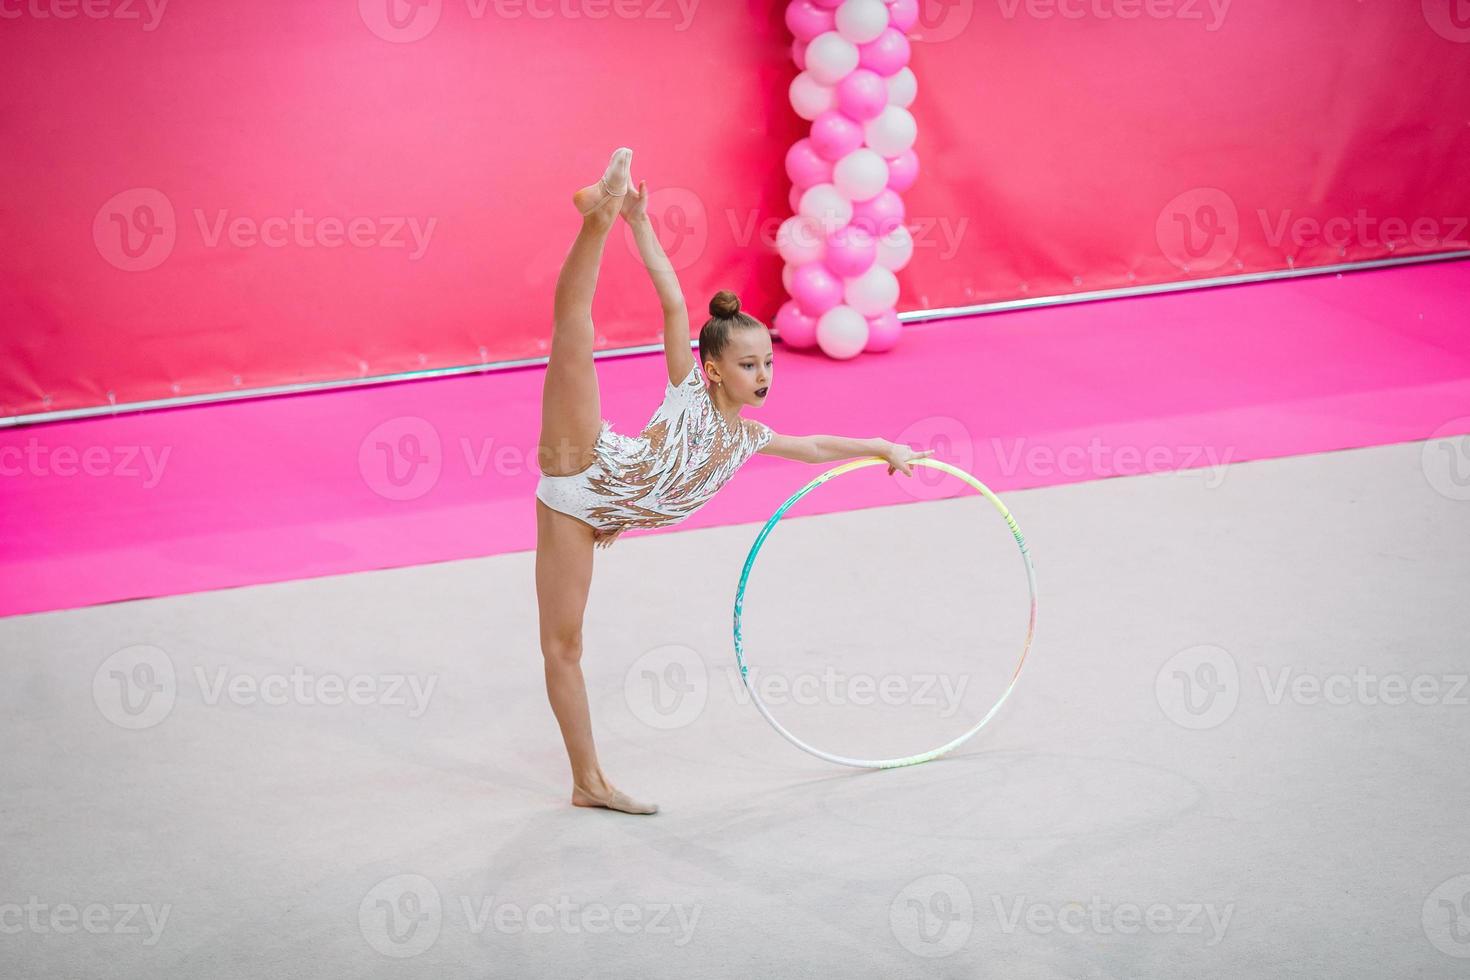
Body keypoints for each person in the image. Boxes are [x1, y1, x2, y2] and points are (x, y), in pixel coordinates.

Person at [534, 147, 932, 814]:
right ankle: (598, 217)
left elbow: (812, 445)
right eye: (749, 365)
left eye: (768, 363)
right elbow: (668, 298)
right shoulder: (689, 388)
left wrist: (880, 445)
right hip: (582, 465)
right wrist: (639, 223)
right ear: (715, 370)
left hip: (591, 519)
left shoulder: (747, 438)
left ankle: (586, 784)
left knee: (568, 643)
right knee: (574, 336)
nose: (764, 376)